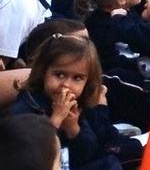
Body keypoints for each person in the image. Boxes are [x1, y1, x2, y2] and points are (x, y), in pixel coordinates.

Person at [8, 33, 143, 167]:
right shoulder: (26, 108)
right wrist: (56, 120)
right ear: (43, 72)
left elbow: (88, 153)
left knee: (112, 162)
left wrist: (73, 129)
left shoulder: (76, 106)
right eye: (60, 75)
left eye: (77, 78)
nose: (66, 84)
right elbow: (30, 157)